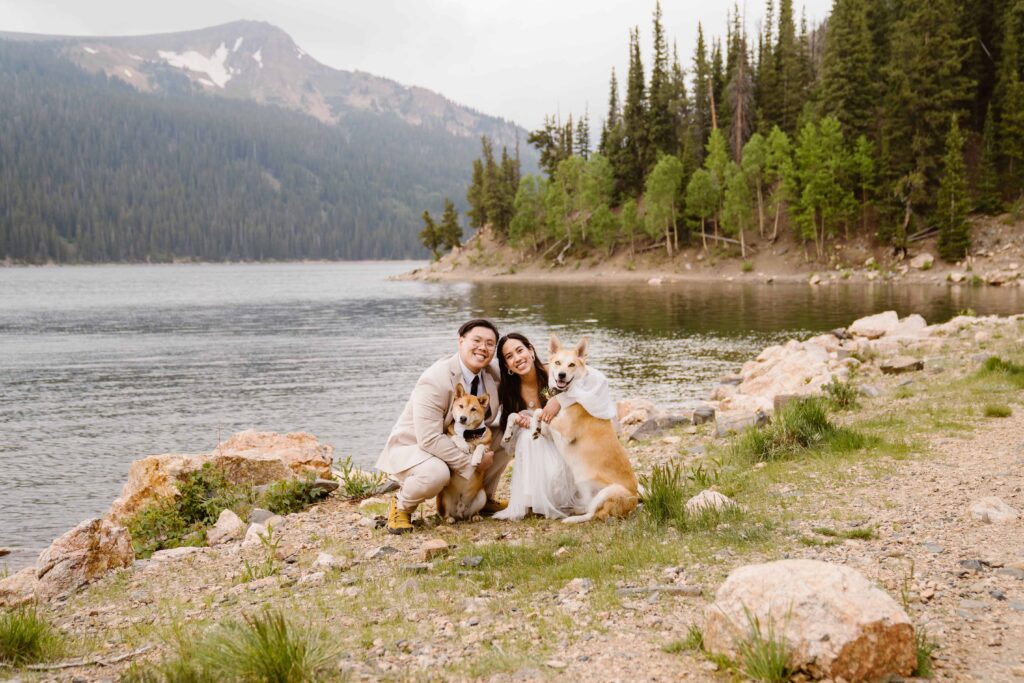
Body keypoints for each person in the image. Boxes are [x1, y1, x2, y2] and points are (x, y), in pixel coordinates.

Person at [376, 319, 510, 534]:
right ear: (461, 341)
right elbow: (429, 439)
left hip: (461, 440)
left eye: (489, 343)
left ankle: (481, 497)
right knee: (437, 474)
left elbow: (530, 374)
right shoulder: (435, 379)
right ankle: (402, 505)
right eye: (476, 340)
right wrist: (471, 464)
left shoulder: (491, 374)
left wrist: (554, 393)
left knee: (508, 434)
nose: (482, 348)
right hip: (419, 445)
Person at [491, 333, 581, 520]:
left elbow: (583, 383)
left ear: (531, 351)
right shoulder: (510, 391)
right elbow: (510, 436)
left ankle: (558, 495)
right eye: (509, 357)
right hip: (538, 445)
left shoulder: (553, 373)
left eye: (519, 351)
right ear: (507, 366)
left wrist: (558, 399)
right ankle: (533, 499)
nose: (517, 358)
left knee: (533, 435)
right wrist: (520, 423)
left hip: (564, 441)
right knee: (526, 435)